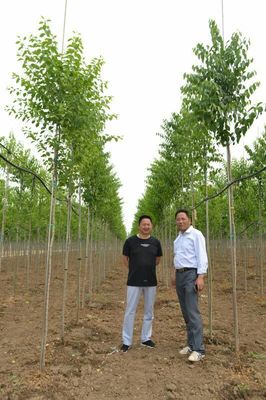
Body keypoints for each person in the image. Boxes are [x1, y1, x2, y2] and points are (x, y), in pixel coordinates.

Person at [121, 215, 163, 352]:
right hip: (133, 281)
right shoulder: (130, 241)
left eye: (148, 224)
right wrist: (135, 269)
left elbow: (158, 259)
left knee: (149, 311)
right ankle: (127, 341)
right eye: (144, 224)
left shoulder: (156, 242)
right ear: (139, 226)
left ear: (151, 226)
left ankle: (146, 338)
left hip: (151, 281)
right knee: (130, 311)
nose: (146, 226)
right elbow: (125, 259)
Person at [172, 209, 208, 362]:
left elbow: (202, 256)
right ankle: (191, 344)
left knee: (193, 312)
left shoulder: (196, 235)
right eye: (178, 219)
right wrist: (175, 275)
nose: (181, 221)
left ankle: (199, 349)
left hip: (191, 275)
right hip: (180, 275)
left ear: (190, 220)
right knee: (186, 312)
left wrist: (201, 276)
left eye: (183, 218)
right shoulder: (177, 239)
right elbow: (178, 257)